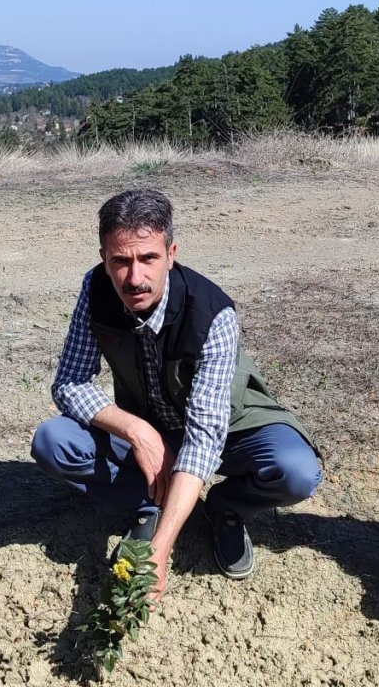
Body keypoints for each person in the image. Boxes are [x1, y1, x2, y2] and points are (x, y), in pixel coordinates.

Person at [31, 188, 323, 597]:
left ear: (171, 253)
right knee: (54, 442)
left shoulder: (214, 313)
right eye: (120, 261)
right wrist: (138, 432)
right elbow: (69, 382)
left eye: (148, 258)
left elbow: (205, 437)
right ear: (104, 258)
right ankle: (147, 504)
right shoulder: (95, 289)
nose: (134, 278)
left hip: (227, 428)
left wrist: (160, 551)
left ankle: (225, 509)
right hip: (151, 422)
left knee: (296, 471)